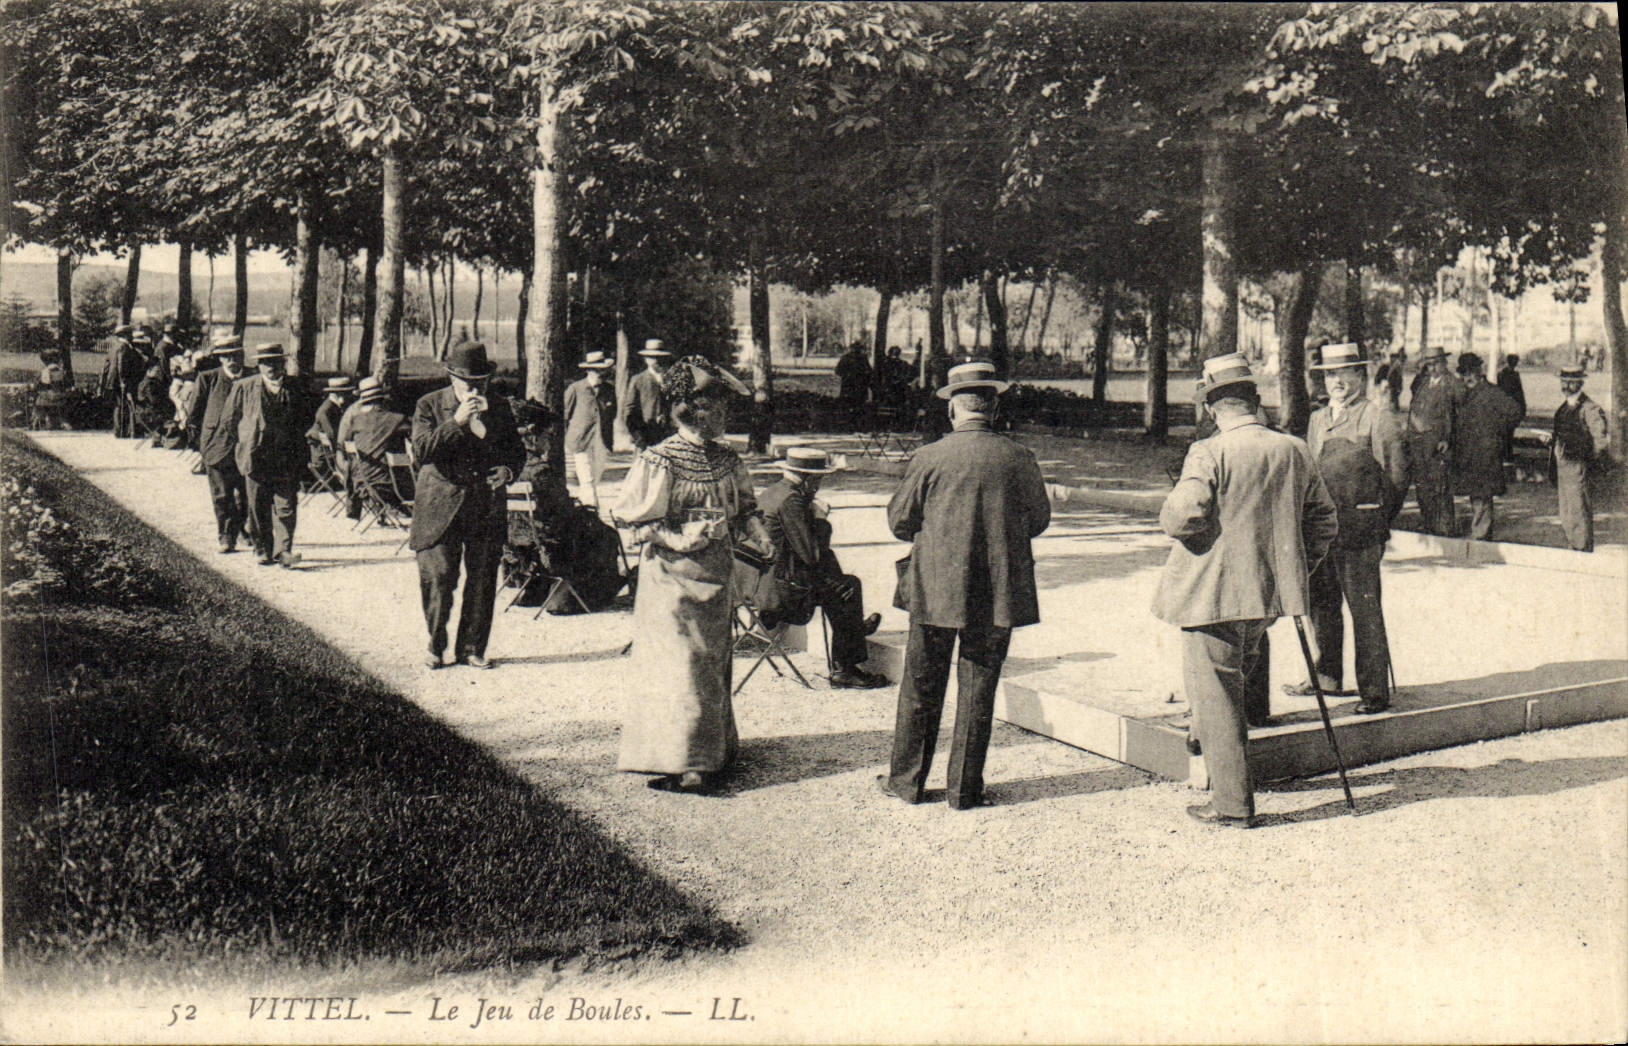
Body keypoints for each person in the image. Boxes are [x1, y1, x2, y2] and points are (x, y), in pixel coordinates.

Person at [1153, 354, 1338, 828]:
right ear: (1254, 401)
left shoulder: (1209, 452)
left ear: (1213, 407)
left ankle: (1233, 805)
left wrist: (1169, 510)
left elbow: (1182, 517)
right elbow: (1323, 521)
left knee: (1215, 693)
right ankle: (1203, 740)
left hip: (1209, 598)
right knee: (1227, 680)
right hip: (1265, 599)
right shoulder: (1294, 448)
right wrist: (1289, 569)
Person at [880, 360, 1051, 811]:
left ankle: (906, 783)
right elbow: (1039, 520)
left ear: (953, 409)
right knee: (979, 688)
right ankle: (964, 791)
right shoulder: (1019, 457)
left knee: (920, 686)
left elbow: (900, 521)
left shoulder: (930, 457)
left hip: (934, 589)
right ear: (992, 409)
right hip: (996, 592)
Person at [614, 355, 765, 794]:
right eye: (717, 406)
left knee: (711, 662)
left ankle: (714, 752)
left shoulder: (726, 458)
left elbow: (744, 507)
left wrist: (756, 532)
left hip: (716, 575)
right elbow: (633, 521)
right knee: (679, 667)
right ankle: (683, 761)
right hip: (671, 581)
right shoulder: (660, 459)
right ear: (693, 409)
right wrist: (681, 537)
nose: (725, 414)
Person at [1293, 343, 1407, 715]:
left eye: (1344, 374)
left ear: (1360, 376)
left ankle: (1374, 692)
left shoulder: (1377, 418)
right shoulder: (1316, 420)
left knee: (1364, 609)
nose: (1337, 381)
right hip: (1322, 532)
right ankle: (1326, 676)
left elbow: (1396, 477)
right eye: (1330, 375)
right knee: (1321, 604)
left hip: (1360, 534)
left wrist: (1375, 519)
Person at [409, 342, 526, 670]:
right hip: (440, 508)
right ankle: (435, 644)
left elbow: (516, 452)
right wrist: (456, 422)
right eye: (467, 383)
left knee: (483, 578)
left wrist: (507, 471)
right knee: (439, 576)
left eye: (481, 382)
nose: (475, 389)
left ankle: (472, 647)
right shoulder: (429, 405)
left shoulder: (499, 408)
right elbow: (421, 452)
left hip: (484, 506)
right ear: (452, 379)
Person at [756, 447, 887, 689]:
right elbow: (811, 554)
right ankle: (844, 668)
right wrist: (820, 518)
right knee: (848, 587)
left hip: (765, 582)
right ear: (809, 479)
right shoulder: (791, 501)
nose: (819, 485)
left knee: (836, 577)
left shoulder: (774, 492)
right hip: (783, 592)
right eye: (819, 479)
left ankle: (854, 631)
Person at [222, 344, 310, 568]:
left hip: (285, 459)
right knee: (258, 506)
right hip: (256, 458)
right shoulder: (244, 387)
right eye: (266, 362)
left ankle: (284, 551)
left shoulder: (296, 387)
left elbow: (306, 420)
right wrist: (246, 440)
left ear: (283, 364)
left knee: (286, 507)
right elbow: (229, 421)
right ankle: (262, 549)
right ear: (259, 365)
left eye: (275, 362)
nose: (271, 367)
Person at [187, 333, 250, 551]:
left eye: (235, 355)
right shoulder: (208, 379)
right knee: (222, 495)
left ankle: (242, 528)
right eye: (226, 357)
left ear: (242, 355)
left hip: (247, 447)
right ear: (220, 358)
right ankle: (226, 536)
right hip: (216, 448)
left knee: (247, 494)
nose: (231, 361)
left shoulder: (253, 378)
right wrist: (203, 447)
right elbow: (193, 417)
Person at [1452, 353, 1522, 541]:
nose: (1467, 378)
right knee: (1476, 497)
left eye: (1471, 373)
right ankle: (1481, 536)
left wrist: (1497, 434)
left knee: (1483, 497)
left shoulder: (1492, 393)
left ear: (1479, 372)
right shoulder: (1464, 396)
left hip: (1486, 454)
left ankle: (1481, 538)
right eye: (1464, 374)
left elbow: (1515, 412)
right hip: (1470, 455)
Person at [1550, 366, 1610, 552]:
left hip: (1578, 466)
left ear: (1580, 383)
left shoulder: (1589, 408)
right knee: (1566, 510)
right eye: (1563, 380)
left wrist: (1588, 462)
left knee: (1579, 509)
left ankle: (1582, 549)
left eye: (1571, 381)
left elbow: (1600, 441)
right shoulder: (1563, 408)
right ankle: (1573, 545)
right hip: (1563, 466)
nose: (1566, 385)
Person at [336, 375, 411, 520]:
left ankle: (383, 510)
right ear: (383, 398)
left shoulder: (356, 420)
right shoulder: (395, 419)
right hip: (384, 483)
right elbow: (415, 432)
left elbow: (344, 445)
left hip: (358, 480)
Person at [1405, 345, 1459, 535]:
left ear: (1444, 363)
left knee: (1440, 486)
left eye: (1436, 364)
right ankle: (1428, 524)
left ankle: (1445, 527)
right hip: (1419, 442)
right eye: (1429, 365)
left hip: (1438, 444)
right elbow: (1414, 409)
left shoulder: (1453, 384)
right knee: (1423, 485)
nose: (1433, 368)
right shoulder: (1423, 383)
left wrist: (1448, 439)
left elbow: (1458, 416)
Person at [563, 350, 616, 508]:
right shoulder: (576, 389)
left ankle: (582, 508)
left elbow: (612, 414)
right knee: (587, 480)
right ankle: (593, 513)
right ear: (588, 370)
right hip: (581, 442)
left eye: (602, 369)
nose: (600, 373)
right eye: (595, 369)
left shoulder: (609, 390)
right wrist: (570, 437)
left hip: (602, 442)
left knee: (594, 479)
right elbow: (565, 415)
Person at [622, 338, 674, 450]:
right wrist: (638, 437)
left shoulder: (672, 380)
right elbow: (629, 412)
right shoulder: (638, 380)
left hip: (670, 435)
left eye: (660, 357)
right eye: (652, 357)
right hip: (647, 435)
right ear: (646, 359)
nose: (657, 361)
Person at [306, 376, 354, 478]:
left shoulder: (334, 406)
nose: (346, 396)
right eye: (344, 393)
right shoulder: (326, 410)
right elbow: (332, 435)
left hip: (327, 451)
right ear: (336, 394)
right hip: (323, 455)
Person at [1496, 353, 1527, 466]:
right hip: (1510, 406)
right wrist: (1522, 406)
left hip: (1505, 406)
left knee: (1506, 432)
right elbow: (1519, 392)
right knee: (1508, 432)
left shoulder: (1501, 374)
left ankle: (1506, 454)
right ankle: (1507, 455)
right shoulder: (1513, 375)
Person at [834, 342, 872, 425]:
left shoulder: (846, 358)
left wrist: (846, 376)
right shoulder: (863, 358)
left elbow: (838, 371)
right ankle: (855, 422)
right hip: (858, 385)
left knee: (849, 404)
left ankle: (849, 422)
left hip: (849, 385)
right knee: (858, 404)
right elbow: (869, 371)